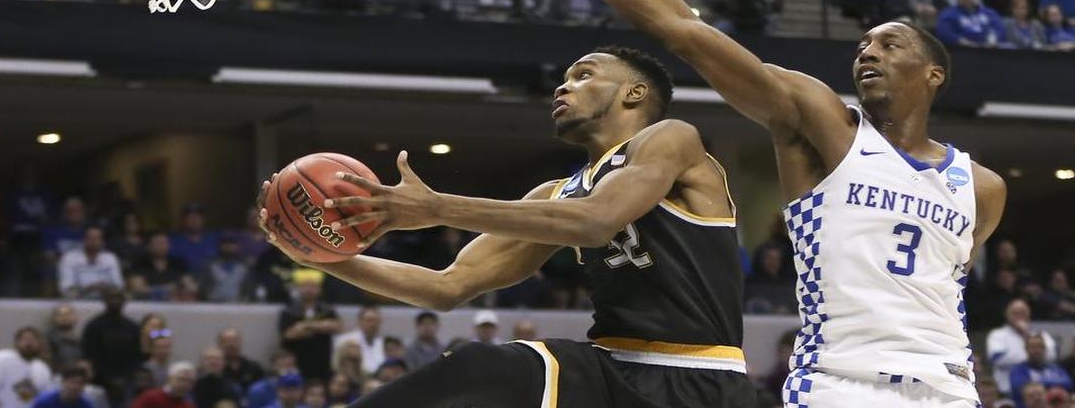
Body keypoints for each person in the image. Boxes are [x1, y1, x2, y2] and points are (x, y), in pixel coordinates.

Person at [447, 0, 1007, 407]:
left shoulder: (982, 187)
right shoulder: (825, 127)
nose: (868, 52)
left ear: (934, 74)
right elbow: (682, 29)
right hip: (840, 382)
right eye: (863, 44)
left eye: (889, 44)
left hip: (948, 386)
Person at [258, 44, 755, 407]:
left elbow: (597, 221)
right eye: (565, 78)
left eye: (583, 75)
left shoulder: (670, 139)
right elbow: (447, 287)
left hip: (698, 378)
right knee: (479, 367)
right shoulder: (553, 195)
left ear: (635, 92)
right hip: (609, 370)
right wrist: (317, 256)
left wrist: (436, 208)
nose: (563, 86)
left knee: (487, 369)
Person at [278, 271, 342, 382]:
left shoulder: (327, 309)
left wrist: (307, 326)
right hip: (297, 360)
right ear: (298, 288)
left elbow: (336, 326)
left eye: (313, 286)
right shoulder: (289, 310)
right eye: (305, 286)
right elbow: (288, 334)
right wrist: (320, 326)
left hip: (323, 360)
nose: (309, 289)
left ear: (320, 289)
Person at [987, 299, 1058, 396]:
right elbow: (998, 359)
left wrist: (1027, 335)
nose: (1019, 316)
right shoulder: (998, 335)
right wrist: (1034, 355)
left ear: (1029, 315)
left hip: (1039, 392)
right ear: (1008, 316)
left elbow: (1052, 355)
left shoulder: (1041, 335)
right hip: (1006, 391)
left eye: (1023, 313)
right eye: (1015, 313)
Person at [80, 289, 139, 406]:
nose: (115, 301)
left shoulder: (132, 327)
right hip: (99, 382)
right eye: (111, 298)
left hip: (126, 381)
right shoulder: (94, 325)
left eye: (118, 298)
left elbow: (137, 355)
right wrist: (107, 379)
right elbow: (89, 354)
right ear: (105, 301)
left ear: (124, 301)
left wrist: (127, 377)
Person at [0, 328, 52, 408]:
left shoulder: (43, 369)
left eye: (33, 339)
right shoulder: (3, 358)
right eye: (25, 339)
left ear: (40, 344)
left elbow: (46, 398)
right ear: (16, 342)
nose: (29, 343)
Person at [58, 227, 124, 300]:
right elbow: (66, 288)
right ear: (84, 240)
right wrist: (88, 289)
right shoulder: (69, 258)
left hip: (106, 300)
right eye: (90, 238)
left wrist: (104, 288)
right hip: (78, 300)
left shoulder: (110, 258)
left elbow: (119, 285)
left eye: (97, 238)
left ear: (102, 241)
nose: (94, 241)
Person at [1010, 334, 1073, 408]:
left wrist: (1042, 384)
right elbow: (1021, 387)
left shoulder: (1055, 368)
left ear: (1044, 349)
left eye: (1039, 347)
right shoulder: (1018, 370)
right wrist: (1052, 387)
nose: (1037, 350)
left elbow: (1068, 383)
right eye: (1032, 347)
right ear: (1026, 349)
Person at [333, 307, 385, 377]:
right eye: (369, 320)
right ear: (359, 322)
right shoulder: (345, 340)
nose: (373, 324)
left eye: (376, 321)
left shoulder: (382, 343)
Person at [215, 330, 263, 395]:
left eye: (235, 341)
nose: (231, 345)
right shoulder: (214, 371)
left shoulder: (254, 367)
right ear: (219, 345)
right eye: (226, 341)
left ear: (240, 343)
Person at [130, 363, 195, 408]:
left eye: (189, 381)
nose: (185, 384)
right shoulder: (149, 397)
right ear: (170, 378)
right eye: (181, 379)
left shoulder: (188, 406)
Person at [46, 305, 82, 373]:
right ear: (53, 318)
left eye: (69, 314)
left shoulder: (82, 341)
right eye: (60, 315)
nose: (65, 317)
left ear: (76, 318)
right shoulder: (46, 341)